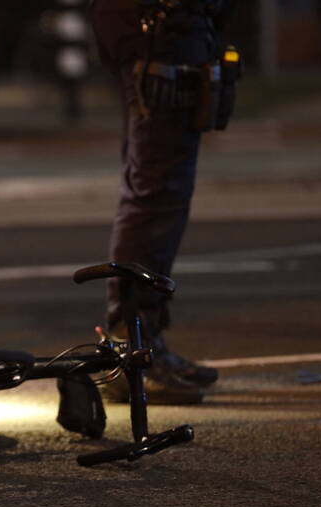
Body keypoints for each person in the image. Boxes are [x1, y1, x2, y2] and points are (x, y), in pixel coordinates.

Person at [88, 0, 236, 404]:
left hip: (168, 30)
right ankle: (130, 350)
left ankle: (145, 342)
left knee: (161, 194)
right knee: (155, 194)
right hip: (156, 31)